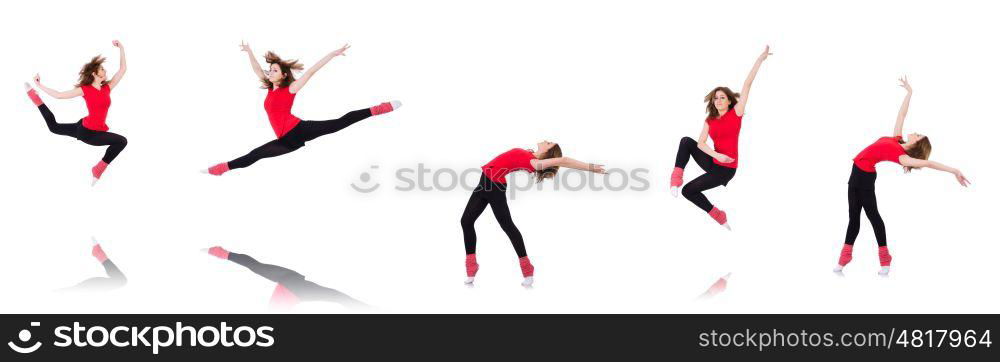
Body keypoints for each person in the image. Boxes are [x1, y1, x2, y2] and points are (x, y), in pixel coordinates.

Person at [834, 77, 970, 276]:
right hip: (855, 174)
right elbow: (902, 114)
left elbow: (928, 163)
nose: (915, 133)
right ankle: (846, 257)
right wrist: (909, 93)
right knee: (853, 218)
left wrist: (954, 171)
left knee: (873, 217)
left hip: (864, 178)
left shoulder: (903, 157)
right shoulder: (897, 139)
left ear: (918, 145)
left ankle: (884, 258)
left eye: (919, 135)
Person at [204, 42, 400, 176]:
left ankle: (379, 109)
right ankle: (223, 169)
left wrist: (332, 54)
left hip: (300, 129)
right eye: (270, 69)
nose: (269, 72)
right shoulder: (270, 89)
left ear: (282, 75)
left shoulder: (290, 89)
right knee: (256, 154)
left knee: (340, 123)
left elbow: (311, 71)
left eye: (274, 70)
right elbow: (256, 69)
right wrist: (249, 51)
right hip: (287, 141)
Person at [461, 142, 606, 287]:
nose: (545, 140)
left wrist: (591, 168)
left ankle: (527, 269)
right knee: (466, 221)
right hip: (484, 183)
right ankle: (471, 266)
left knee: (508, 226)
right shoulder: (530, 154)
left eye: (549, 143)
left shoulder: (535, 163)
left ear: (548, 151)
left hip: (494, 186)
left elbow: (564, 160)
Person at [669, 46, 772, 229]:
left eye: (722, 97)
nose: (718, 101)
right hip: (715, 161)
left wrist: (760, 60)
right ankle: (676, 177)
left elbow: (747, 84)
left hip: (726, 170)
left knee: (688, 191)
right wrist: (716, 156)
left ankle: (717, 215)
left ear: (729, 101)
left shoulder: (736, 113)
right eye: (716, 98)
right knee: (686, 141)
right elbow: (700, 143)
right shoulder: (709, 120)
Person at [25, 41, 129, 185]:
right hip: (87, 132)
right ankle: (35, 98)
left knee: (121, 142)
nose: (105, 71)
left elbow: (122, 69)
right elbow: (59, 95)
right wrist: (39, 85)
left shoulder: (107, 88)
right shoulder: (85, 90)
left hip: (95, 128)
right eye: (102, 69)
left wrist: (121, 48)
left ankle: (97, 169)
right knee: (54, 127)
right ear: (95, 73)